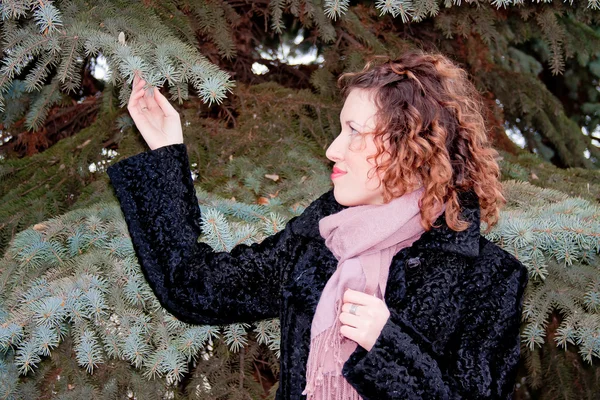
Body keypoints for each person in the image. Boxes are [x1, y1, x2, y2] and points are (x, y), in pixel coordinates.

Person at [106, 49, 529, 399]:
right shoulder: (321, 239)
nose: (332, 149)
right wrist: (165, 149)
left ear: (410, 145)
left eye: (354, 132)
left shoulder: (489, 278)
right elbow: (195, 288)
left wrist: (388, 343)